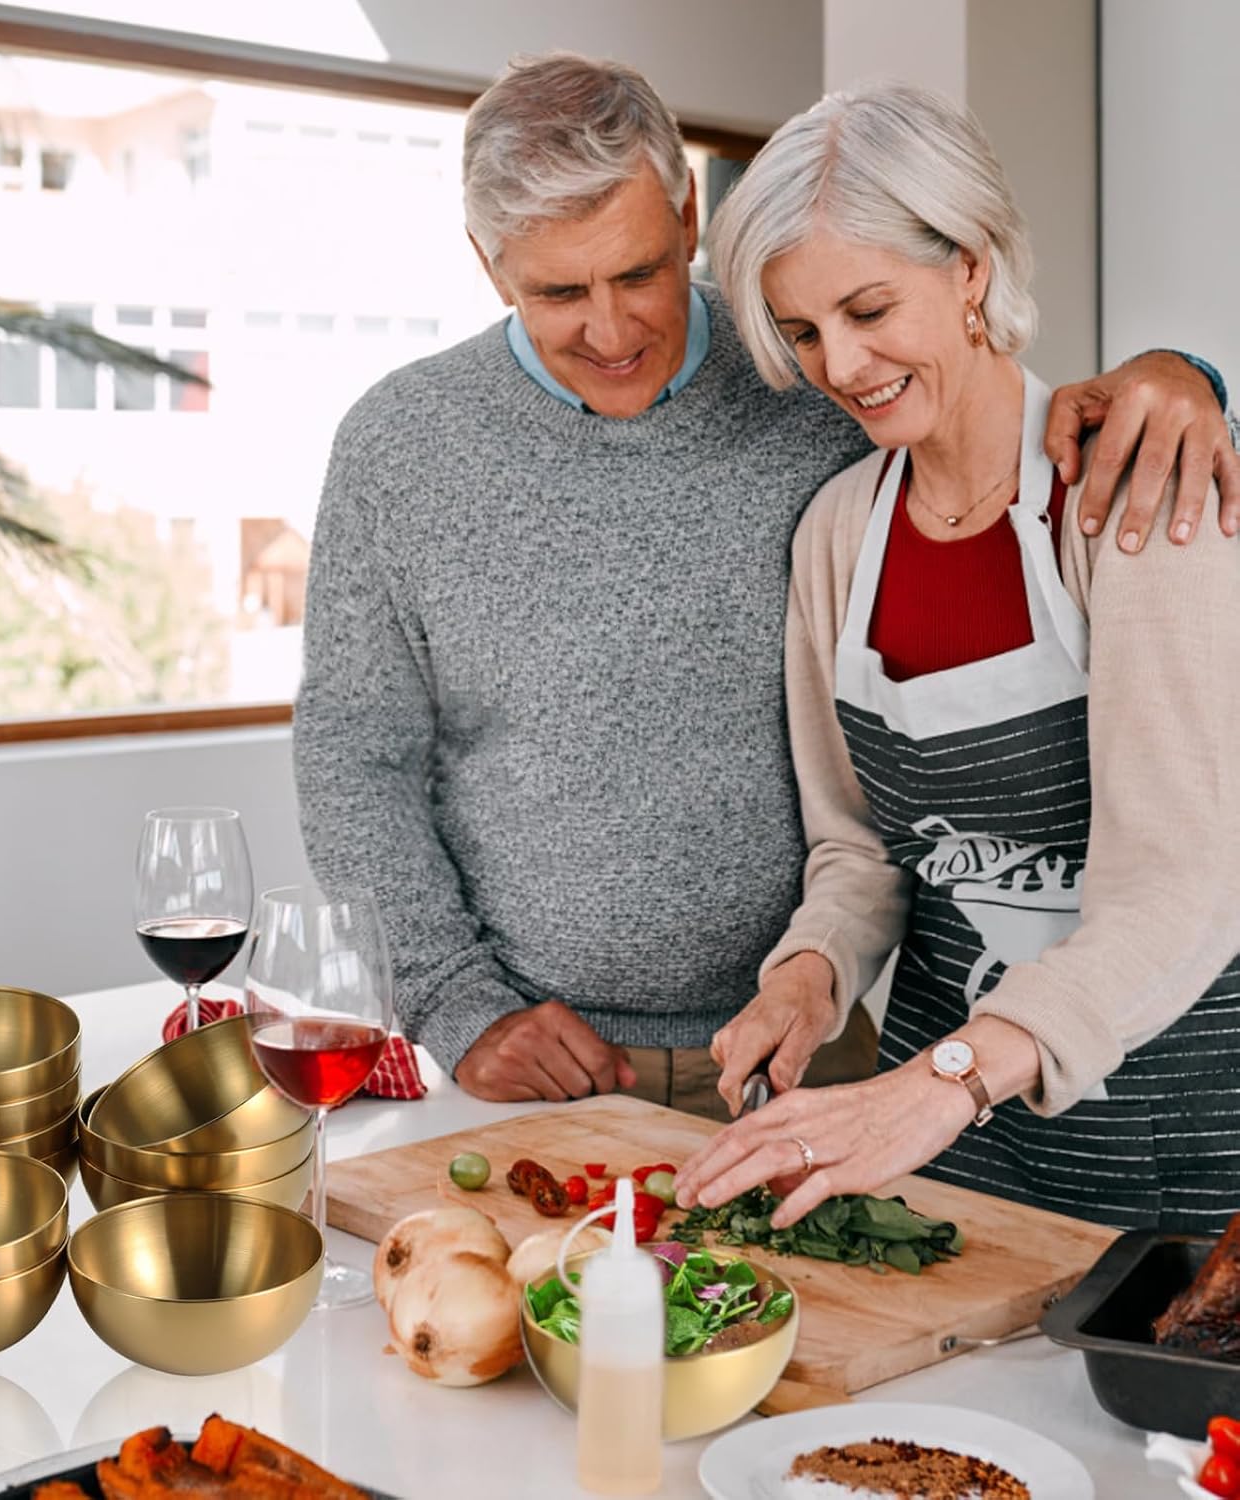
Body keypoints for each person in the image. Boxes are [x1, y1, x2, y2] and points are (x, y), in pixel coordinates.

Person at [292, 54, 1238, 1124]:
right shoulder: (401, 447)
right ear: (486, 263)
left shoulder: (809, 379)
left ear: (690, 210)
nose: (611, 333)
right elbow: (352, 752)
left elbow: (995, 412)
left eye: (640, 272)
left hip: (820, 1062)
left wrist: (1187, 378)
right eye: (558, 292)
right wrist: (452, 1004)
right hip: (528, 1068)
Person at [675, 81, 1240, 1229]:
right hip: (940, 1158)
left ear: (972, 267)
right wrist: (811, 974)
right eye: (801, 330)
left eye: (869, 308)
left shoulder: (1131, 496)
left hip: (1174, 1150)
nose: (839, 364)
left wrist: (945, 1083)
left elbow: (1187, 883)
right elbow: (862, 849)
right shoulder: (839, 531)